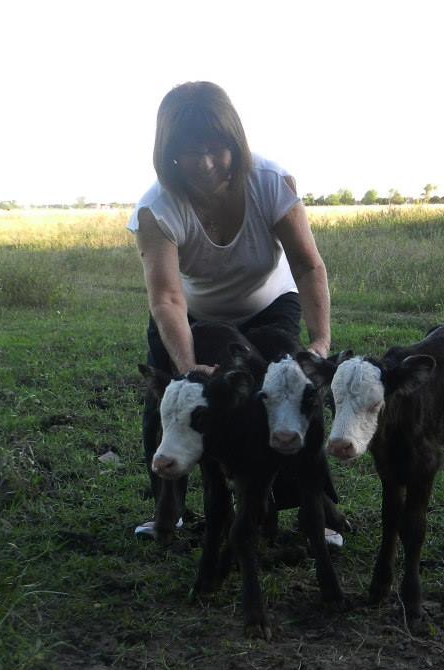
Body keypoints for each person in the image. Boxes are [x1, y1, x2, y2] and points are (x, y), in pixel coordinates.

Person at [128, 81, 338, 541]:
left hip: (269, 302)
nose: (205, 163)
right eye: (190, 152)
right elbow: (166, 298)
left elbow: (307, 265)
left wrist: (320, 342)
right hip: (192, 313)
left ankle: (309, 510)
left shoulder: (270, 183)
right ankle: (168, 510)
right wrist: (188, 368)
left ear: (235, 143)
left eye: (215, 148)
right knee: (167, 394)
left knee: (284, 390)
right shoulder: (156, 209)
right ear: (169, 154)